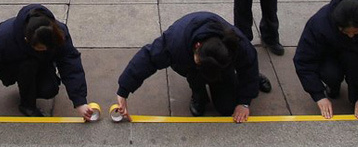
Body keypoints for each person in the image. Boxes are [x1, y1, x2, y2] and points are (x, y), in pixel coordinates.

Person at [116, 12, 272, 122]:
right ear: (197, 46)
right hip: (188, 64)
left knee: (227, 108)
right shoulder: (174, 42)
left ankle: (250, 80)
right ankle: (199, 95)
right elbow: (149, 58)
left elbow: (249, 62)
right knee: (195, 75)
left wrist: (244, 102)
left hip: (219, 66)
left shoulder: (234, 42)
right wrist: (124, 90)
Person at [0, 4, 92, 121]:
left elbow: (70, 63)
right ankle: (27, 105)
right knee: (27, 66)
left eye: (48, 48)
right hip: (11, 65)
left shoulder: (58, 32)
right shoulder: (2, 39)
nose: (45, 49)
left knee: (49, 90)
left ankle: (38, 77)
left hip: (38, 61)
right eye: (41, 48)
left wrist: (80, 101)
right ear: (27, 40)